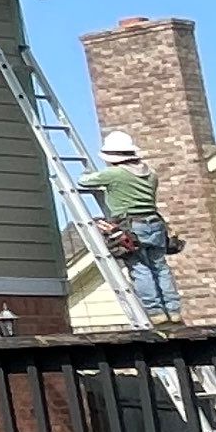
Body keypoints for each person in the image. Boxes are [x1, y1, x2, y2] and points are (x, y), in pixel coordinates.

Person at [78, 132, 183, 322]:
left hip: (132, 226)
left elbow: (84, 182)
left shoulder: (114, 174)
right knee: (160, 267)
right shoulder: (151, 174)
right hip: (156, 225)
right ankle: (174, 311)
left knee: (140, 268)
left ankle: (156, 313)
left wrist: (90, 175)